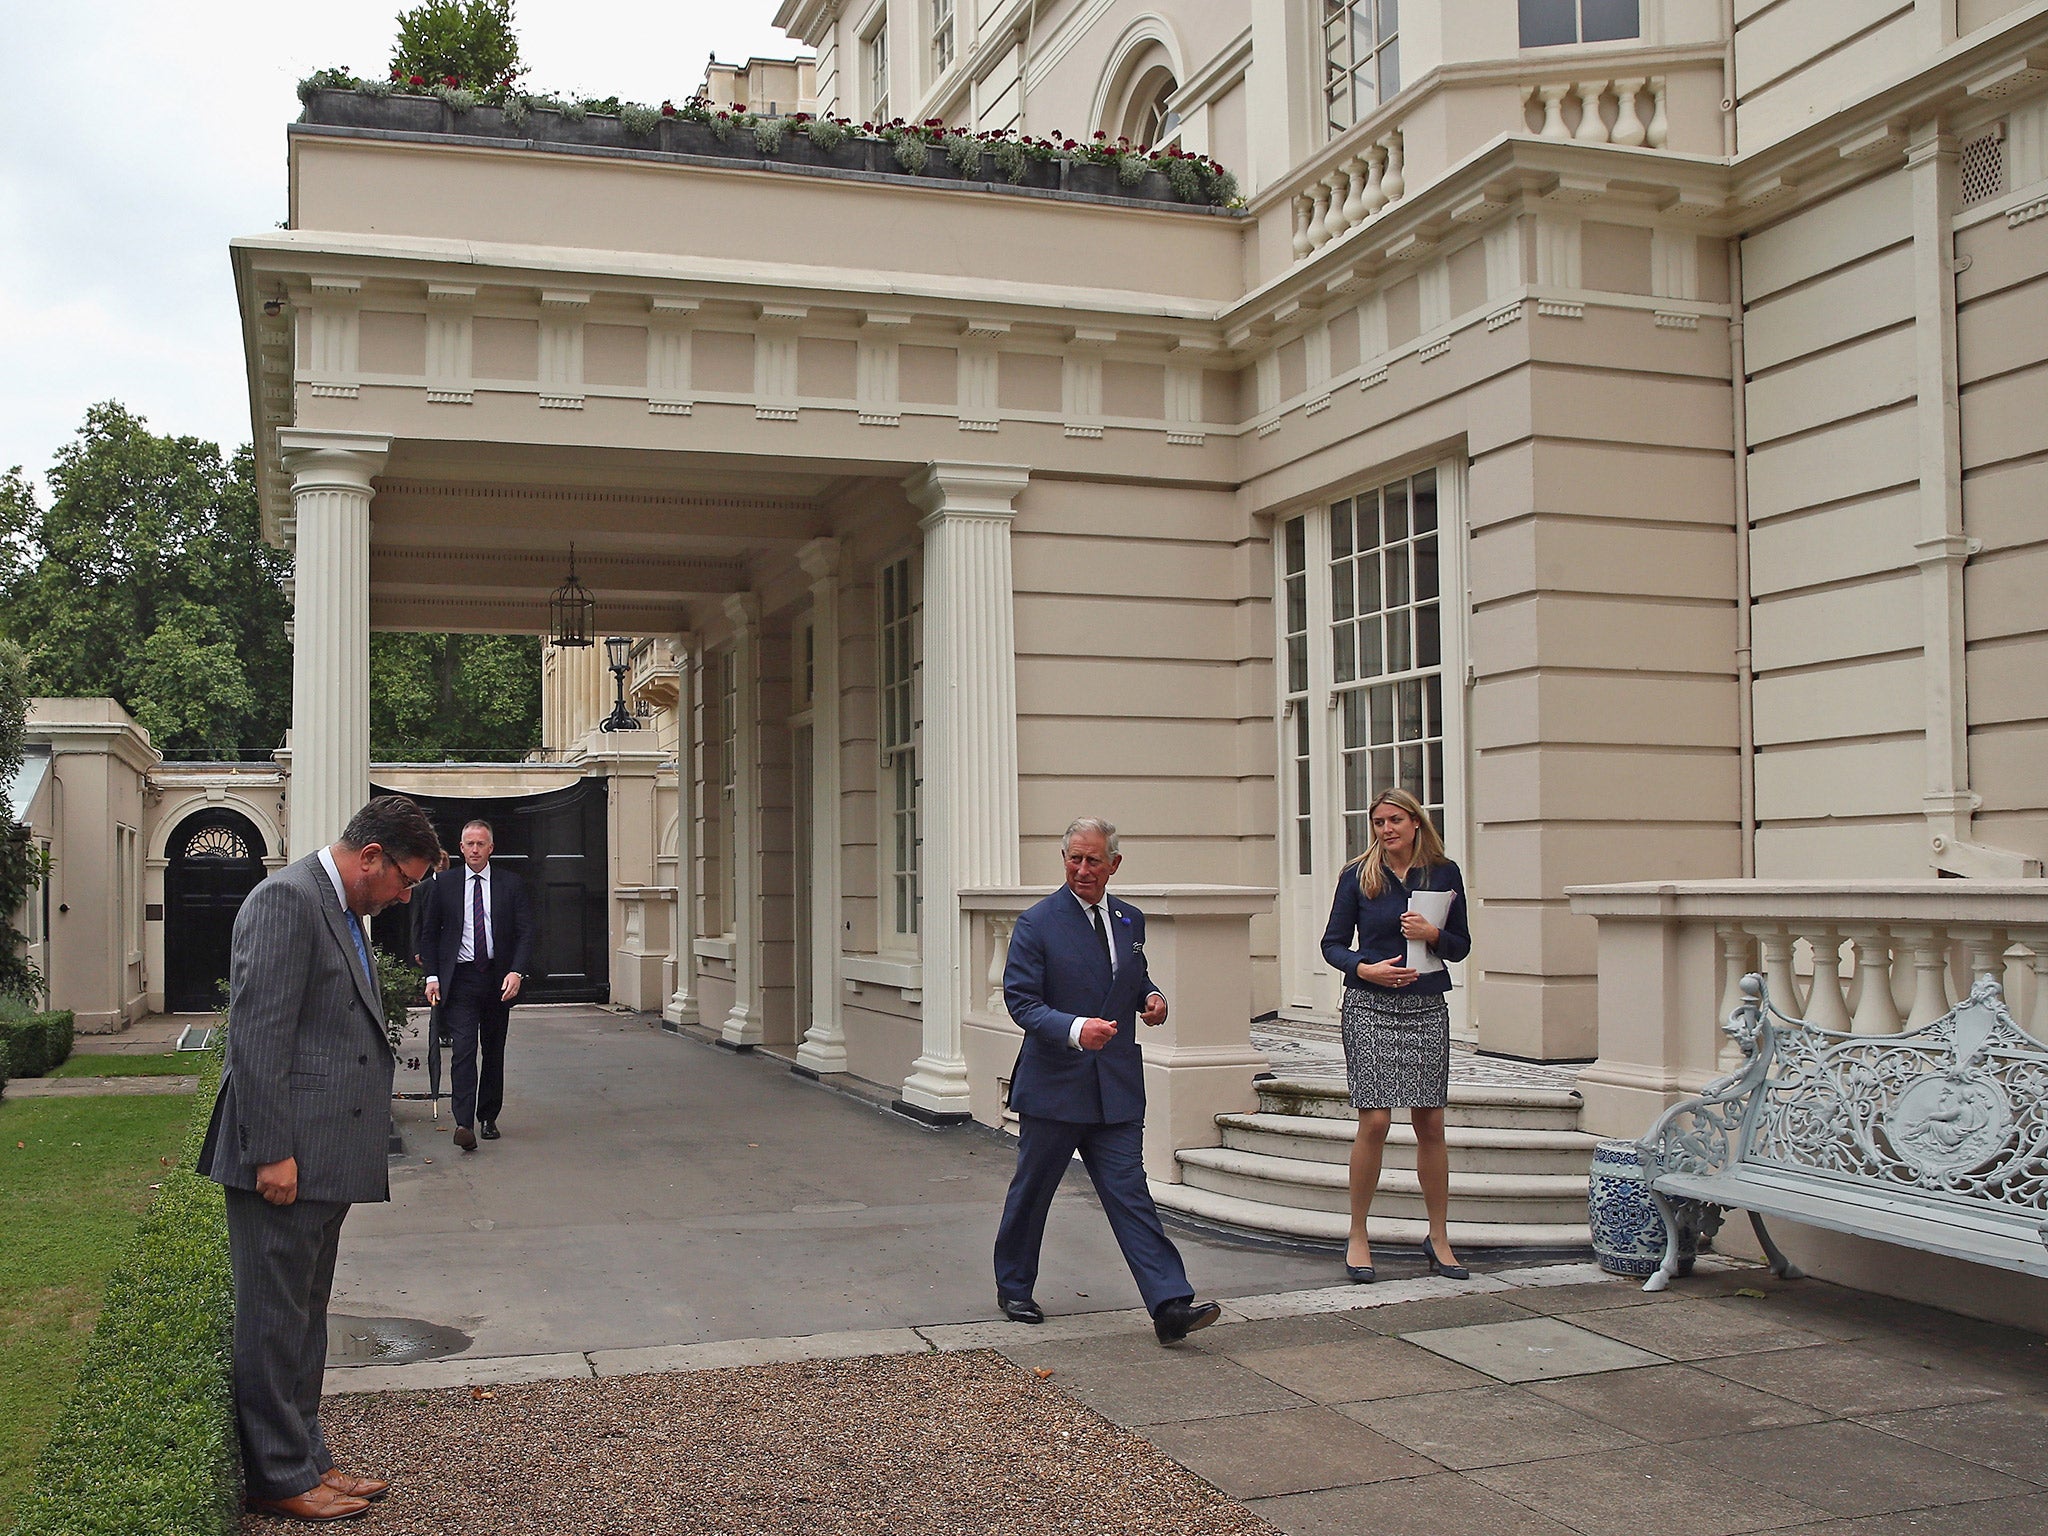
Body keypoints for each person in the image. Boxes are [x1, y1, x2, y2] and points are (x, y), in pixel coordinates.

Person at [199, 795, 444, 1523]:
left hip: (320, 1160)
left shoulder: (338, 910)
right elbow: (258, 1037)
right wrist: (271, 1151)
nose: (405, 896)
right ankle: (277, 1476)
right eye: (404, 880)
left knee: (304, 1318)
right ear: (370, 856)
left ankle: (307, 1458)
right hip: (284, 1162)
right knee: (274, 1322)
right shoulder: (286, 902)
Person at [993, 816, 1223, 1346]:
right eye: (1074, 858)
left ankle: (1169, 1304)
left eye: (1094, 860)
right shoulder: (1036, 923)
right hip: (1055, 1085)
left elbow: (1130, 976)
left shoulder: (1129, 920)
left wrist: (1151, 997)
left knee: (1130, 1193)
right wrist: (1076, 1029)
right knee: (1034, 1190)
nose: (1082, 869)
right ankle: (1015, 1286)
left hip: (1115, 1086)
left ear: (1114, 864)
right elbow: (1022, 1003)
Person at [1321, 787, 1473, 1285]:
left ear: (1415, 823)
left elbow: (1461, 946)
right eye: (1379, 822)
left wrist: (1432, 936)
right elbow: (1332, 945)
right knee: (1376, 1120)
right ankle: (1359, 1233)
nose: (1386, 830)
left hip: (1427, 1005)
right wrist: (1365, 968)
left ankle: (1439, 1235)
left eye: (1394, 821)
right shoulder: (1357, 875)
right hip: (1369, 1006)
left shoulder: (1443, 874)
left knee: (1430, 1121)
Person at [417, 819, 536, 1151]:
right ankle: (463, 1123)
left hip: (499, 981)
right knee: (463, 1050)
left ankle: (488, 1117)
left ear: (490, 848)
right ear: (460, 847)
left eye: (480, 844)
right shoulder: (445, 884)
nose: (474, 849)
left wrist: (517, 972)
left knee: (493, 1051)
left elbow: (526, 933)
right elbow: (429, 934)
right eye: (469, 843)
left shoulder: (511, 885)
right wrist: (432, 976)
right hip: (462, 979)